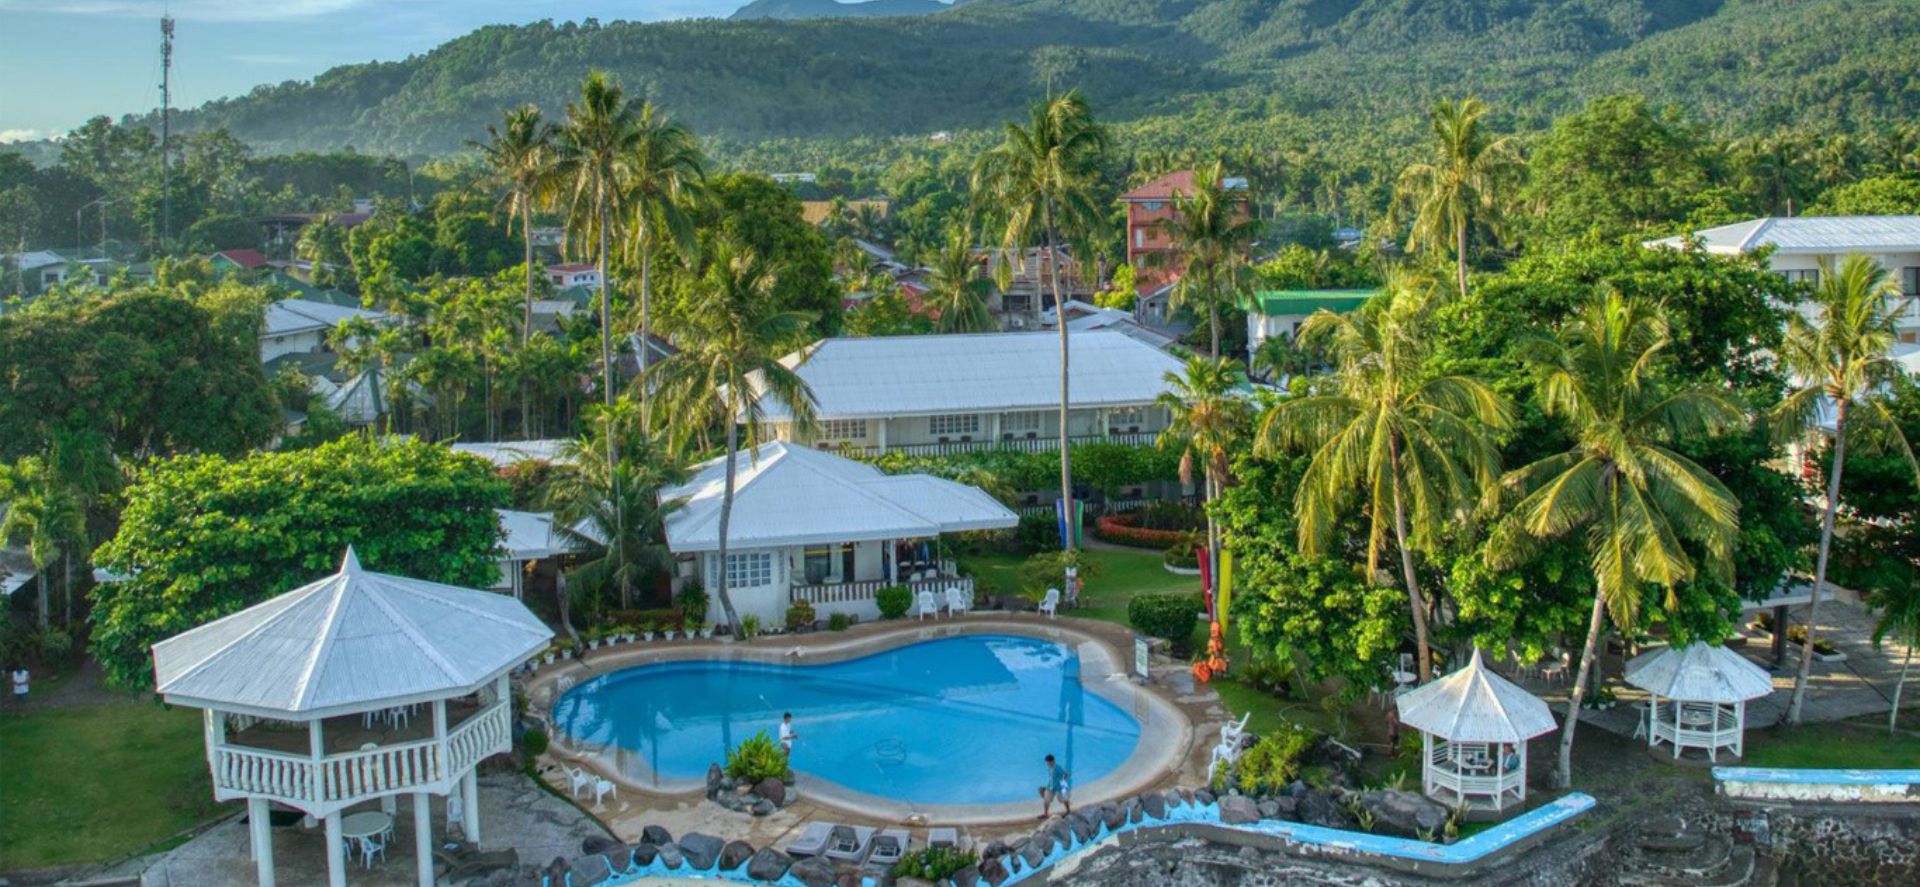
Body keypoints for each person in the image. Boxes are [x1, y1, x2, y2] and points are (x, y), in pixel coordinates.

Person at [1038, 753, 1070, 819]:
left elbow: (1066, 774)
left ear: (1052, 761)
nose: (1047, 764)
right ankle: (1045, 814)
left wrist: (1062, 782)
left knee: (1063, 800)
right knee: (1046, 800)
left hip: (1059, 788)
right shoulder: (1050, 768)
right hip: (1050, 787)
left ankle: (1068, 811)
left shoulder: (1058, 767)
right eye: (1047, 763)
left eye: (1048, 763)